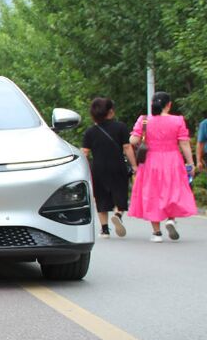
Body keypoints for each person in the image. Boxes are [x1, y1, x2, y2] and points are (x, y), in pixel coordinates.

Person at [129, 91, 198, 242]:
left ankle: (156, 233)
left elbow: (133, 140)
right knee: (172, 190)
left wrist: (142, 136)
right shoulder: (178, 120)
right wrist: (191, 163)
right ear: (169, 105)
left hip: (151, 161)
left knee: (153, 193)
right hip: (173, 160)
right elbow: (184, 143)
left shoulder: (144, 120)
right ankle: (171, 220)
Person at [81, 97, 138, 238]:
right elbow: (127, 147)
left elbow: (85, 153)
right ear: (110, 112)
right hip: (117, 165)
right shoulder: (121, 127)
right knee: (120, 193)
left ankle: (105, 229)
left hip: (99, 168)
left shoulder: (90, 132)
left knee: (101, 197)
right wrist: (134, 165)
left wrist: (82, 170)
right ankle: (118, 214)